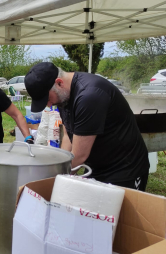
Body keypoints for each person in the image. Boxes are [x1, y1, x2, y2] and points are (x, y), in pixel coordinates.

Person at [24, 62, 149, 190]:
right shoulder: (64, 96)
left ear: (59, 82)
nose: (49, 105)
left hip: (125, 168)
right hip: (97, 166)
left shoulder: (89, 96)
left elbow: (79, 155)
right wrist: (63, 170)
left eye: (48, 99)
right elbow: (68, 134)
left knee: (119, 210)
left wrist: (55, 182)